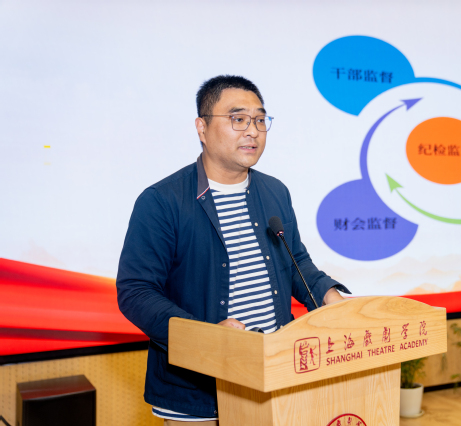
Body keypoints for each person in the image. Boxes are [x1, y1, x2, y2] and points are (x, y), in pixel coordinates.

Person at [116, 75, 349, 425]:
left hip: (273, 377)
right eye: (238, 119)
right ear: (202, 127)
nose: (252, 131)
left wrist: (331, 298)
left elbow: (295, 262)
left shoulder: (275, 192)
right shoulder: (162, 201)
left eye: (260, 120)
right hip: (196, 391)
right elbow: (136, 291)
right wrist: (206, 337)